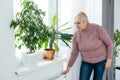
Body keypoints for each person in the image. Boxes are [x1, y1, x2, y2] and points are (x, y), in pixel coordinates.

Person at [62, 12, 113, 80]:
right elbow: (74, 53)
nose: (76, 25)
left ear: (85, 22)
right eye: (75, 23)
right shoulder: (76, 35)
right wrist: (68, 67)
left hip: (100, 61)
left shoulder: (97, 28)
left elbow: (109, 43)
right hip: (86, 61)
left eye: (78, 23)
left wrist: (109, 60)